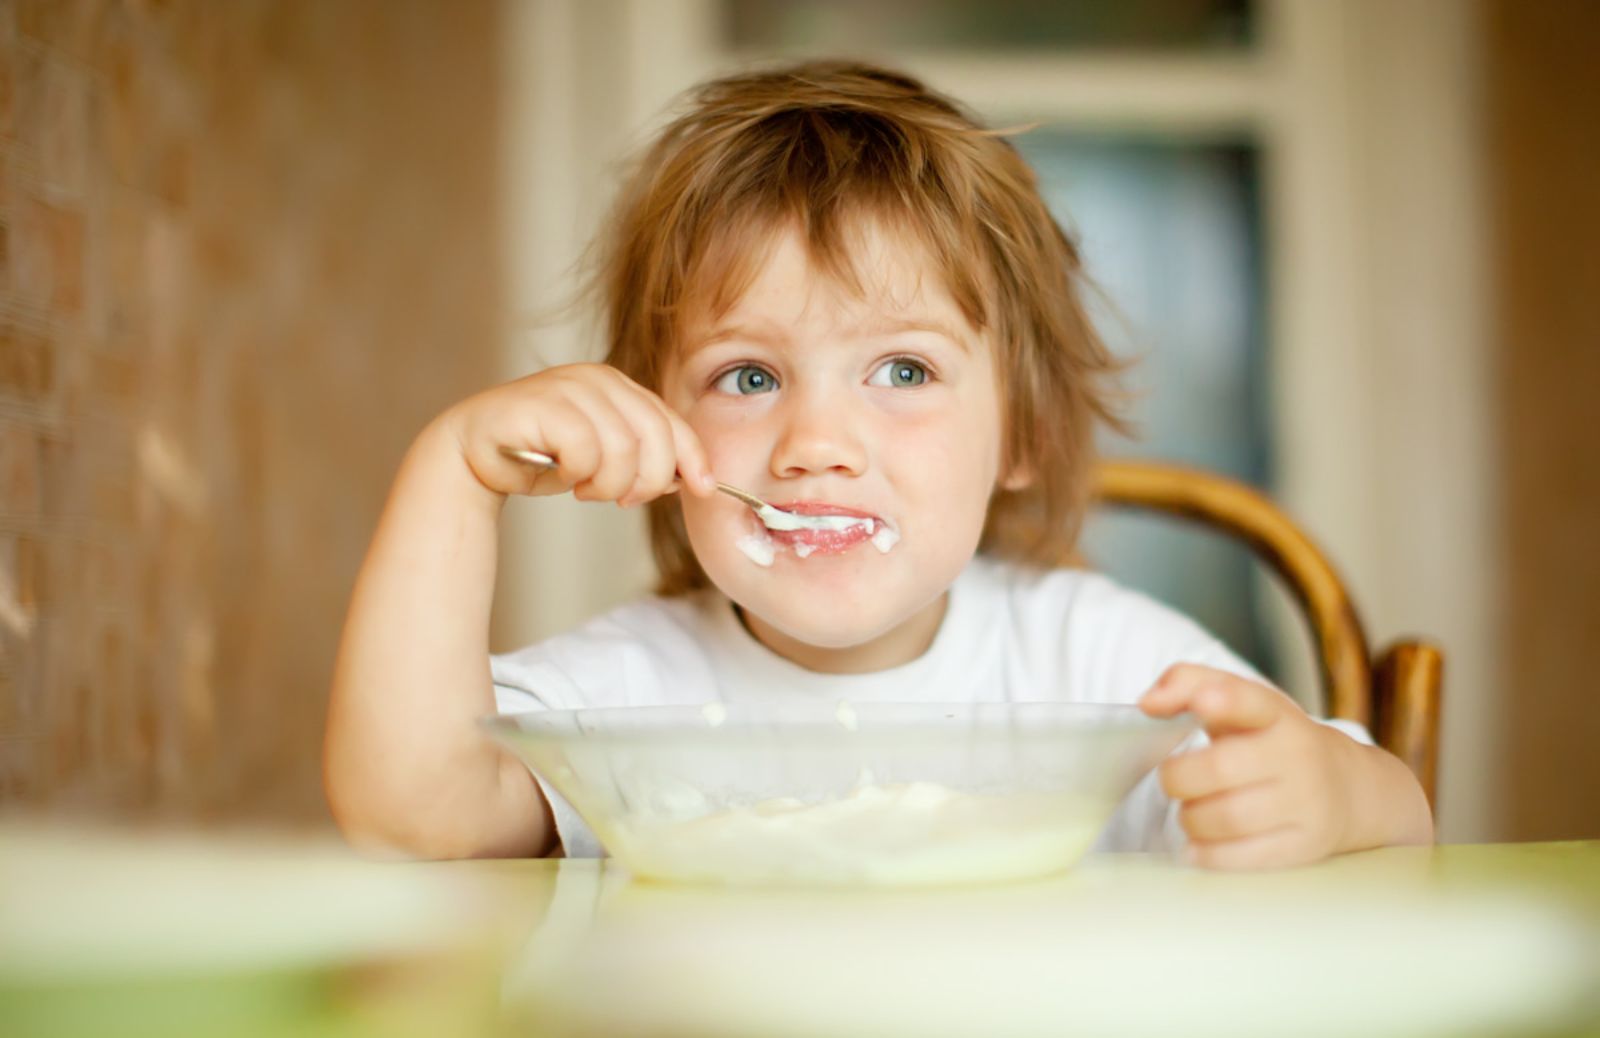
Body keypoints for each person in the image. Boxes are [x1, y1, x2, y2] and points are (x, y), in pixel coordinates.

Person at [323, 60, 1433, 869]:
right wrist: (451, 474)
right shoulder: (633, 694)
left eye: (902, 371)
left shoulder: (1093, 659)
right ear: (656, 435)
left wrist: (1334, 797)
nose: (816, 445)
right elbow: (411, 812)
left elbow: (1402, 815)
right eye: (748, 378)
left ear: (1025, 436)